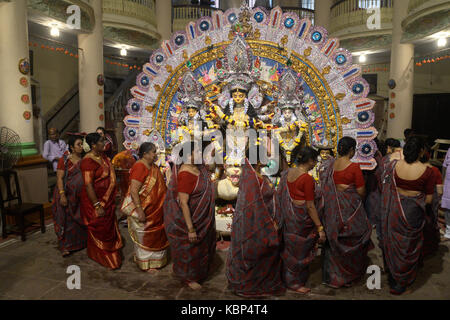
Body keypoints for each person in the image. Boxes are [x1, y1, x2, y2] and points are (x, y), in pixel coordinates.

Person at [226, 145, 285, 298]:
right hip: (257, 224)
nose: (268, 158)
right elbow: (255, 206)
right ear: (258, 160)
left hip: (257, 221)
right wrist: (269, 224)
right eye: (265, 155)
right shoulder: (253, 178)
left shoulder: (253, 174)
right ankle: (251, 285)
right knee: (258, 254)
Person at [380, 136, 435, 295]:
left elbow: (385, 187)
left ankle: (394, 278)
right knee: (408, 247)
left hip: (394, 212)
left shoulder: (393, 166)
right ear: (421, 151)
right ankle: (403, 282)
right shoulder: (428, 171)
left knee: (394, 243)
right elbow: (429, 199)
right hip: (413, 215)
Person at [319, 136, 373, 289]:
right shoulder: (354, 167)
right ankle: (348, 275)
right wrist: (353, 202)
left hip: (331, 212)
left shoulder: (330, 165)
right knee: (356, 235)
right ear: (351, 150)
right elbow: (361, 191)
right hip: (350, 210)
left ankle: (332, 277)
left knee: (334, 239)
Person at [163, 141, 216, 290]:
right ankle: (189, 277)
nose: (200, 154)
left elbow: (210, 169)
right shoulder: (185, 173)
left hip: (202, 218)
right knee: (191, 249)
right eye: (197, 152)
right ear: (188, 155)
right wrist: (191, 229)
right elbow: (184, 203)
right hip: (192, 218)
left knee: (200, 249)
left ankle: (199, 273)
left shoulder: (198, 167)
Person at [278, 146, 326, 294]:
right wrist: (320, 227)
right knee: (300, 251)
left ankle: (286, 278)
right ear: (310, 160)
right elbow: (310, 206)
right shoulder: (306, 179)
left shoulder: (287, 173)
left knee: (290, 248)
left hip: (289, 218)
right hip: (301, 221)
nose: (315, 164)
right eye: (315, 161)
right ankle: (294, 283)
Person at [121, 143, 169, 272]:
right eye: (153, 152)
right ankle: (146, 264)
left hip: (156, 210)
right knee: (145, 236)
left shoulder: (152, 167)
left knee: (157, 235)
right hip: (145, 210)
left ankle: (155, 261)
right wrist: (139, 210)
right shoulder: (139, 167)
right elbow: (134, 191)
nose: (156, 154)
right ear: (145, 154)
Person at [80, 133, 123, 269]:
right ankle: (100, 254)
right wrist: (97, 205)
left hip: (108, 200)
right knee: (99, 225)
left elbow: (111, 178)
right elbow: (88, 185)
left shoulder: (104, 157)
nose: (104, 143)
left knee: (108, 225)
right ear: (93, 145)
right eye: (101, 141)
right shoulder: (88, 161)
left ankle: (106, 252)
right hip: (94, 201)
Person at [52, 135, 87, 257]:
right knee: (65, 221)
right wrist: (62, 195)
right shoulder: (65, 160)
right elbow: (60, 178)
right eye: (78, 144)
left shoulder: (85, 159)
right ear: (72, 147)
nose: (81, 147)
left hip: (79, 197)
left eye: (82, 144)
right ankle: (64, 246)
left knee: (78, 221)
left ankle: (79, 244)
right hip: (65, 194)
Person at [421, 146, 443, 257]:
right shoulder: (435, 171)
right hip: (431, 201)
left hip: (417, 201)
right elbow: (439, 190)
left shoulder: (416, 169)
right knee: (431, 222)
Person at [442, 148, 450, 242]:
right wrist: (442, 180)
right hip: (448, 183)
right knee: (448, 208)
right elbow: (444, 165)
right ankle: (448, 233)